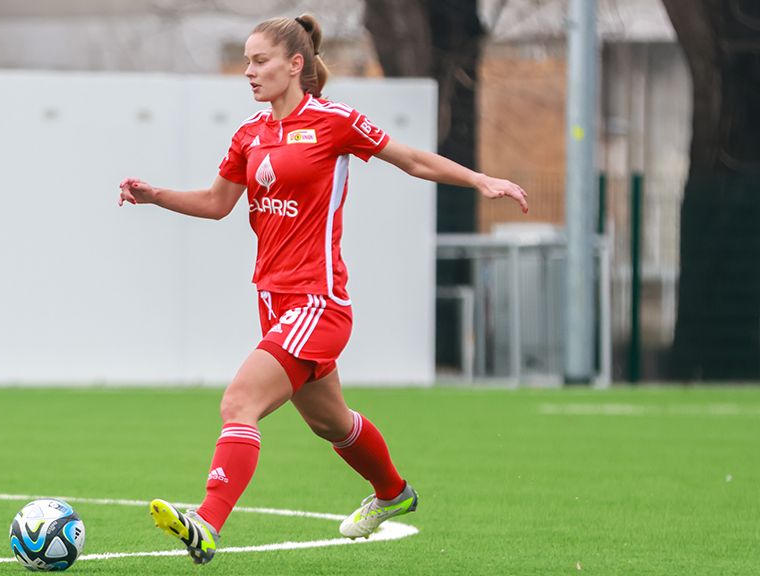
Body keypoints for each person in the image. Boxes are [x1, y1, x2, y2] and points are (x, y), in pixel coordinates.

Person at [118, 13, 528, 565]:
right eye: (245, 61)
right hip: (273, 303)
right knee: (331, 422)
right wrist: (156, 195)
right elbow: (217, 204)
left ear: (295, 65)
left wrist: (480, 179)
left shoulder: (333, 122)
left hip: (319, 302)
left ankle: (207, 522)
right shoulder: (249, 134)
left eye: (259, 61)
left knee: (239, 402)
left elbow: (409, 159)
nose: (248, 72)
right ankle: (393, 494)